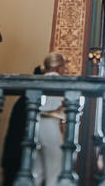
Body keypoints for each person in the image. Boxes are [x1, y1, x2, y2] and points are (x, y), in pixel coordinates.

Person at [35, 51, 67, 186]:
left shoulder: (40, 79)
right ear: (58, 67)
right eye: (64, 66)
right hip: (50, 123)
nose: (65, 70)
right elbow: (59, 103)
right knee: (55, 170)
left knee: (36, 170)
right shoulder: (56, 78)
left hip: (36, 124)